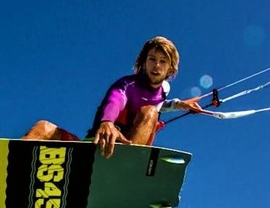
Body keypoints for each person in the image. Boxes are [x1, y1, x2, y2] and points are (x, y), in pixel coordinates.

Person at [21, 36, 204, 158]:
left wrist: (180, 105)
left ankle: (124, 162)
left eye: (162, 61)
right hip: (95, 146)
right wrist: (107, 121)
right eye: (152, 59)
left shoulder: (164, 89)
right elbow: (116, 98)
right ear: (143, 62)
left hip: (125, 151)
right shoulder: (127, 85)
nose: (156, 65)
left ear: (170, 69)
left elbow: (157, 103)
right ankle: (10, 166)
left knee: (150, 113)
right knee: (42, 127)